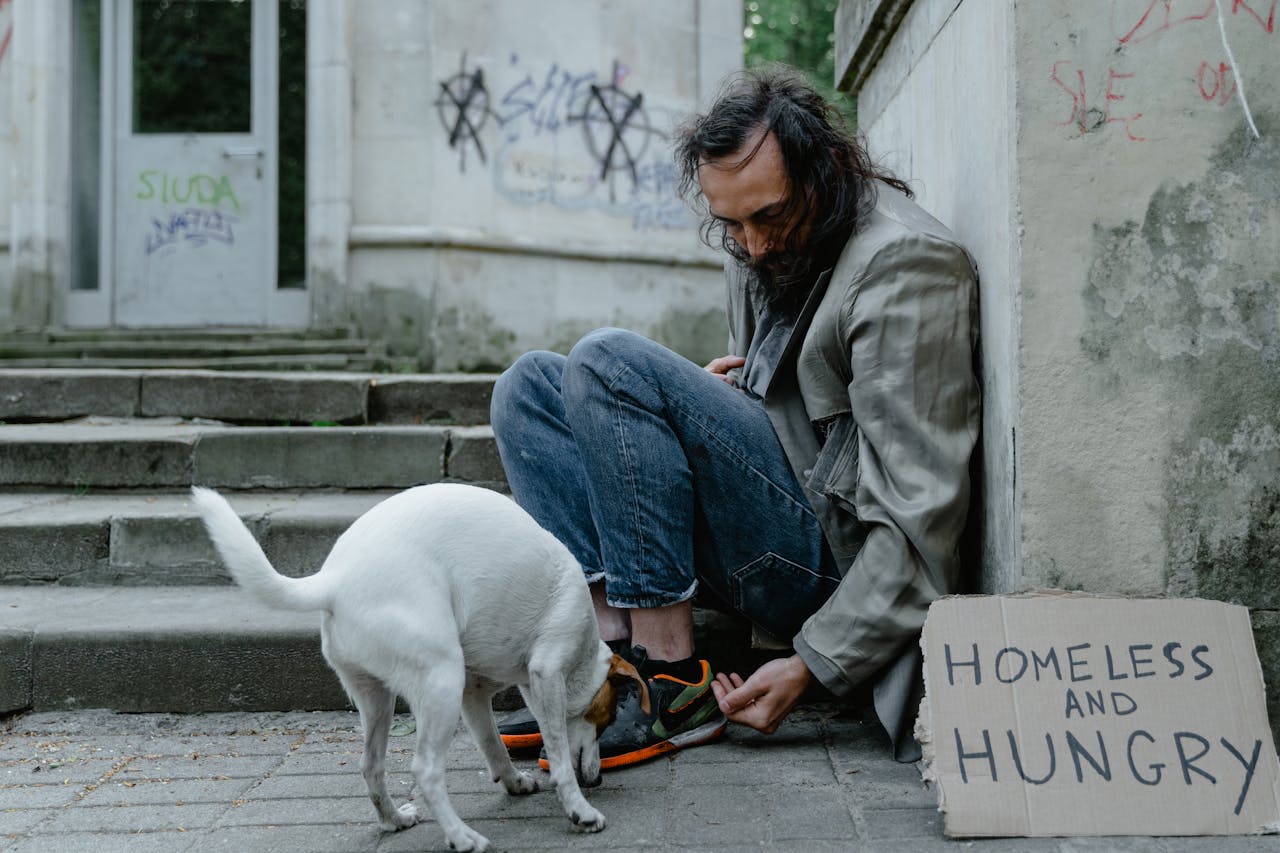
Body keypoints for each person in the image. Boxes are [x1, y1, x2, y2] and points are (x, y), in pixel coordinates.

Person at [490, 65, 980, 767]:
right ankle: (596, 669)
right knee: (528, 388)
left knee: (610, 360)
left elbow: (919, 525)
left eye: (770, 218)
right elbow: (784, 401)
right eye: (732, 224)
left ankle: (670, 684)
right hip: (777, 513)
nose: (752, 246)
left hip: (837, 569)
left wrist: (812, 663)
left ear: (828, 170)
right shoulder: (760, 241)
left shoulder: (906, 266)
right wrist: (731, 390)